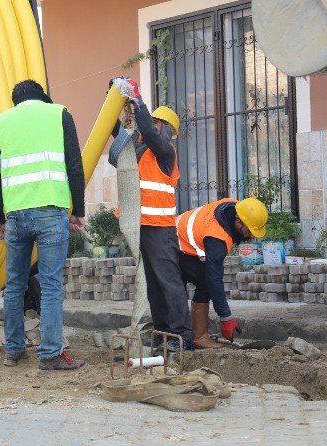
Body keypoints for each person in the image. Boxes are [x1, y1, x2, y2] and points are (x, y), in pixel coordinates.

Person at [0, 79, 86, 370]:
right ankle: (50, 355)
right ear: (41, 97)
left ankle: (13, 351)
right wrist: (78, 210)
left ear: (15, 101)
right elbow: (75, 166)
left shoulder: (1, 122)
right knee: (51, 284)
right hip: (50, 211)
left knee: (15, 284)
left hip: (15, 215)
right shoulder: (59, 114)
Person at [110, 78, 195, 351]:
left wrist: (139, 104)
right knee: (153, 285)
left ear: (167, 131)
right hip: (139, 225)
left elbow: (145, 127)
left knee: (169, 281)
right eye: (152, 122)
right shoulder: (138, 150)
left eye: (157, 124)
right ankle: (162, 334)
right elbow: (115, 133)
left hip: (159, 227)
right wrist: (113, 100)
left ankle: (182, 336)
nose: (150, 126)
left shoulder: (164, 152)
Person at [176, 198, 268, 348]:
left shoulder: (234, 207)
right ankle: (197, 337)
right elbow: (214, 279)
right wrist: (226, 317)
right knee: (204, 282)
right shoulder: (217, 237)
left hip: (177, 235)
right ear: (238, 223)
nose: (253, 236)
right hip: (171, 245)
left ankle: (194, 334)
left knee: (204, 280)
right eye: (251, 231)